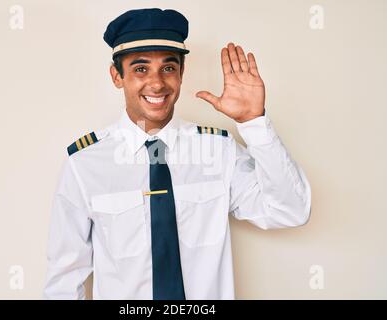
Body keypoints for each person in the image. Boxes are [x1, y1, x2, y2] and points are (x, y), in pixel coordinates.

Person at [43, 8, 311, 300]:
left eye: (168, 68)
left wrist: (254, 122)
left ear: (182, 73)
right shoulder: (84, 164)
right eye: (140, 69)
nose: (157, 83)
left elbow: (291, 211)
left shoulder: (218, 151)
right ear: (117, 76)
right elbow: (66, 279)